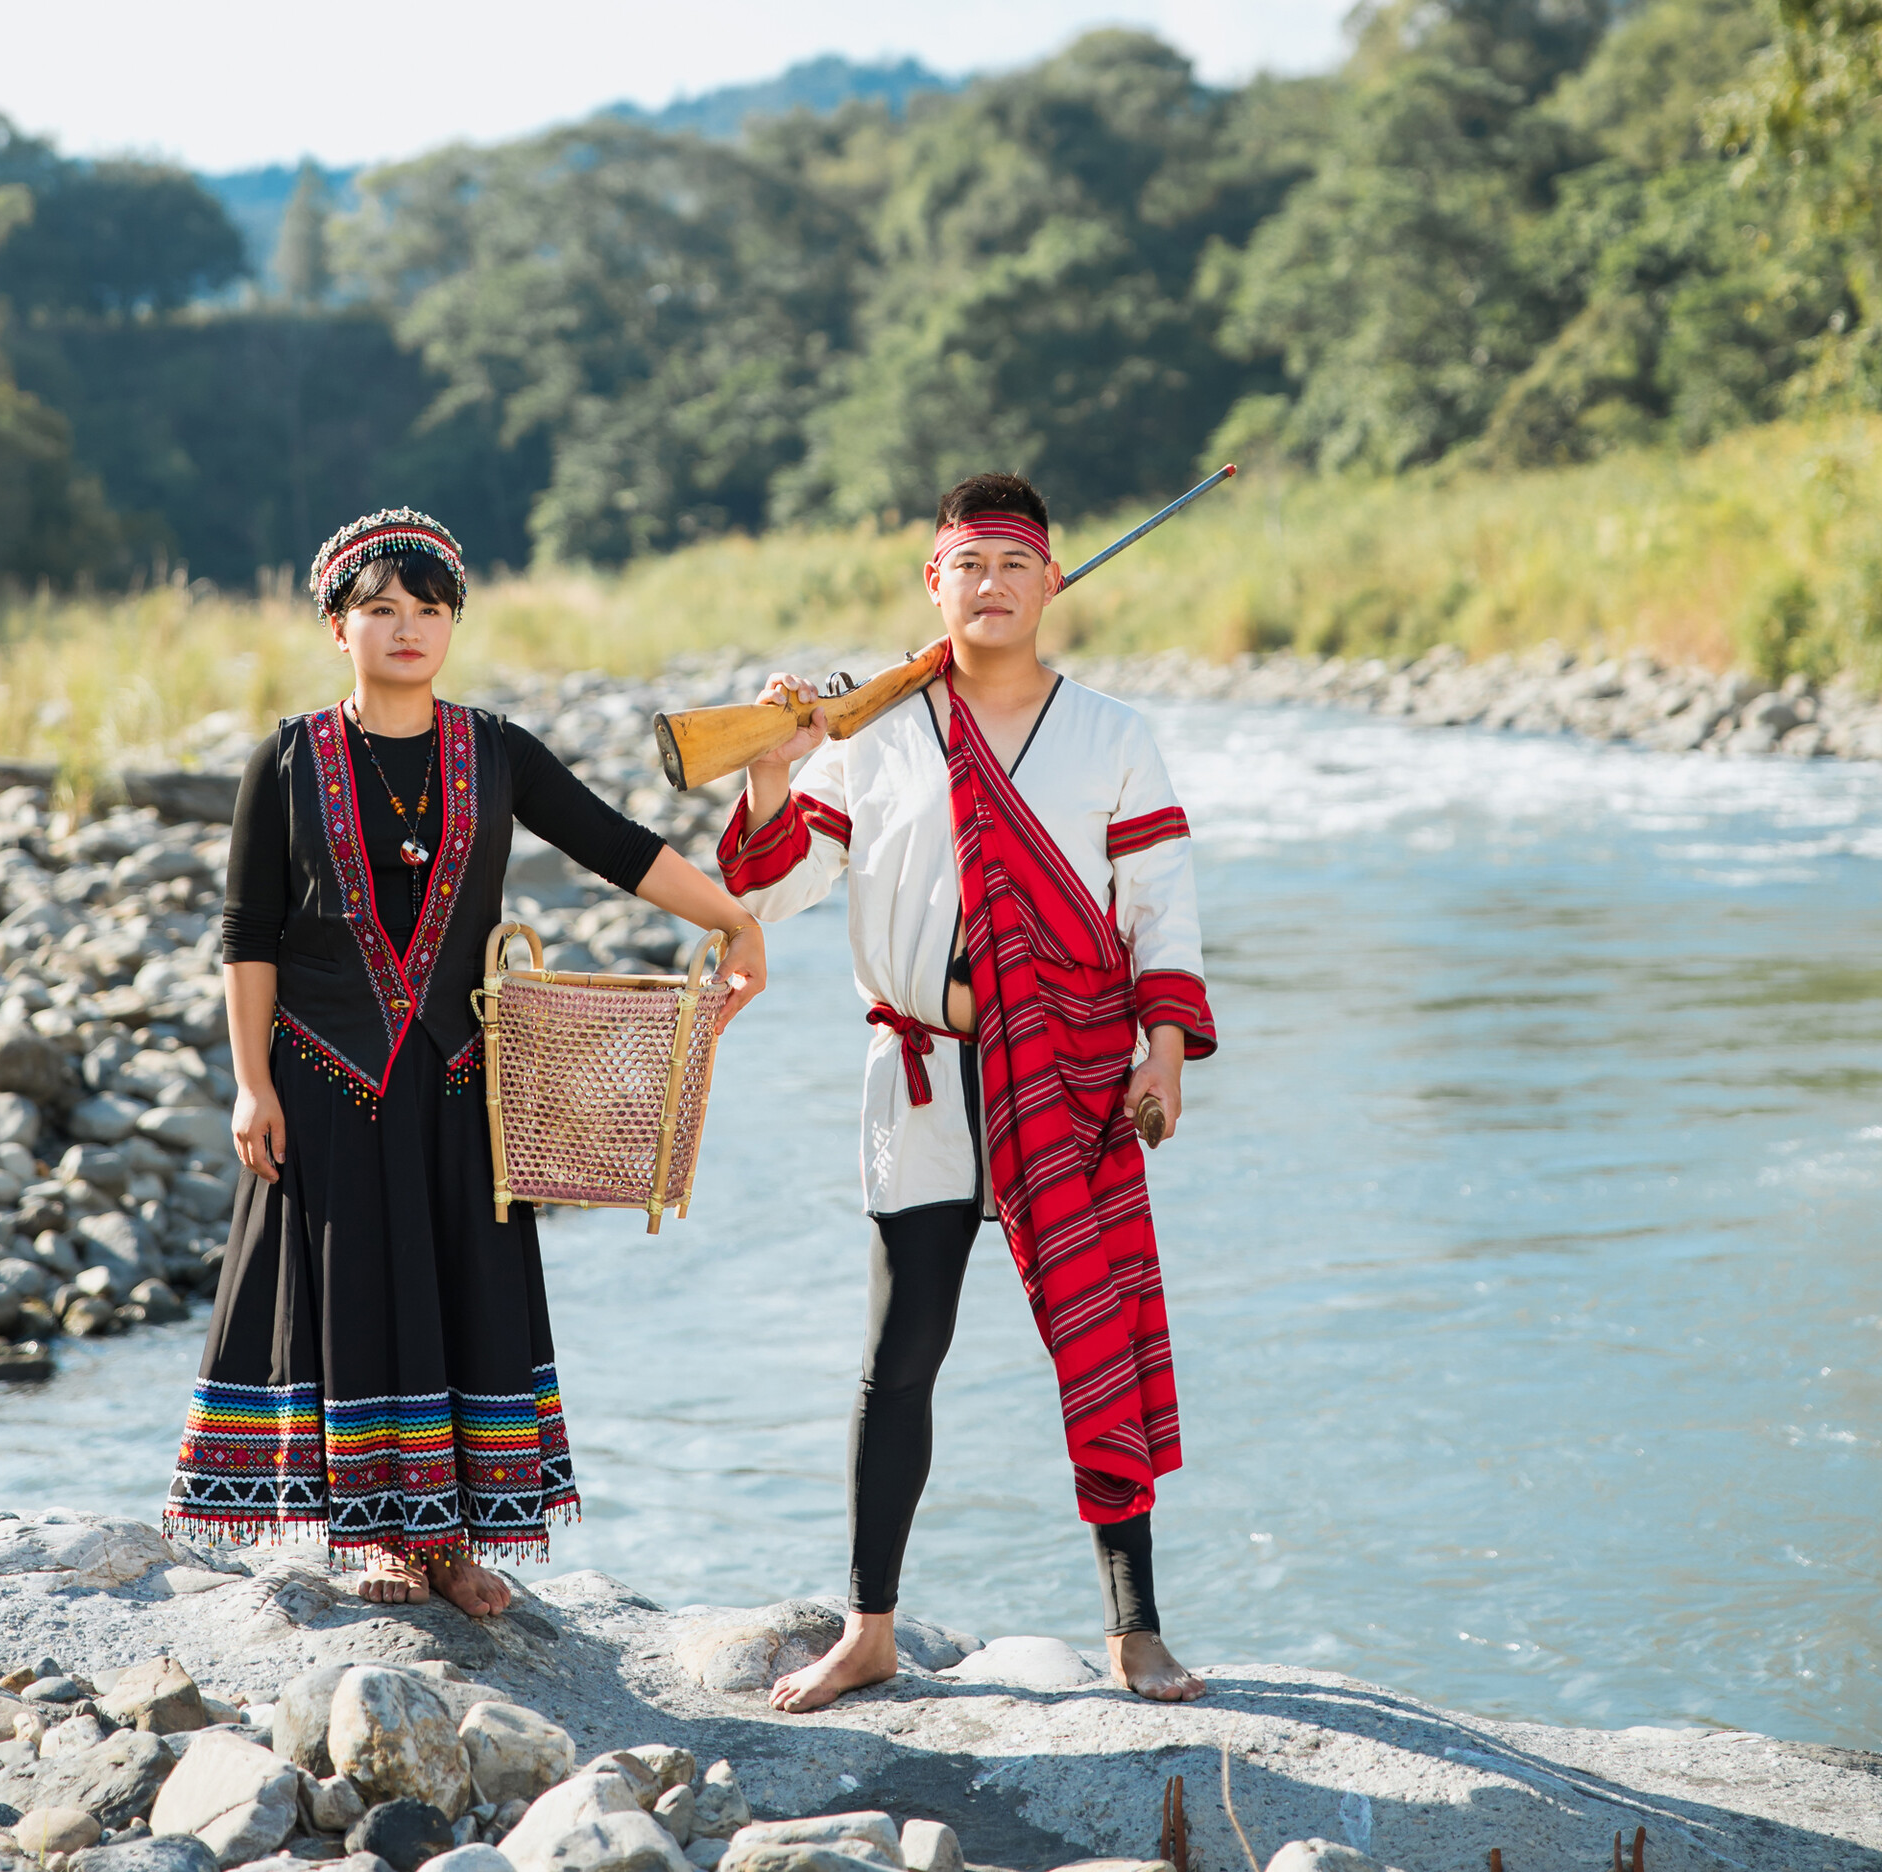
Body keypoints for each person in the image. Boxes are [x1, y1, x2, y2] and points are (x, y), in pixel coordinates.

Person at [164, 505, 766, 1613]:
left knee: (460, 1295)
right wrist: (251, 1084)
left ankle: (452, 1544)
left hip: (461, 1086)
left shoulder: (497, 751)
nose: (408, 628)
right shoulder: (284, 760)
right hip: (326, 1077)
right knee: (357, 1297)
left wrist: (734, 920)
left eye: (430, 610)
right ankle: (383, 1541)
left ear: (453, 625)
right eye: (382, 609)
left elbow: (615, 845)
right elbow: (248, 936)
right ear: (337, 626)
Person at [717, 470, 1215, 1708]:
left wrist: (1162, 1051)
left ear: (1053, 580)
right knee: (903, 1350)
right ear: (932, 584)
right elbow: (774, 886)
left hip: (1075, 1073)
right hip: (926, 1076)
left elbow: (1160, 909)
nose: (991, 586)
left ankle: (1135, 1631)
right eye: (969, 566)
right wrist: (775, 772)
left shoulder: (1112, 735)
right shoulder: (879, 731)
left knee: (1098, 1337)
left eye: (1013, 564)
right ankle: (869, 1630)